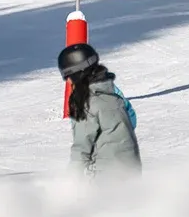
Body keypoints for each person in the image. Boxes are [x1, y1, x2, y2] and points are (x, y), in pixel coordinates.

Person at [59, 43, 140, 174]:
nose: (68, 82)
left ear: (77, 74)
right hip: (131, 171)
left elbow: (81, 149)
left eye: (68, 76)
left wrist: (69, 184)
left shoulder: (86, 103)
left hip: (105, 177)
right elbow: (131, 119)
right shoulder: (114, 95)